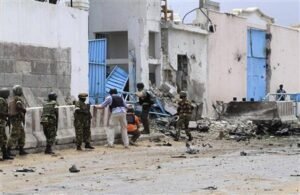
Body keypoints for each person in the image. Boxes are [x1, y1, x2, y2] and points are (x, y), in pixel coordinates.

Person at [7, 85, 28, 156]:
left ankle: (21, 149)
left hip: (15, 118)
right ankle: (8, 150)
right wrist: (23, 110)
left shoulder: (13, 98)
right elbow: (19, 106)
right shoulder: (18, 98)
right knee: (15, 134)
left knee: (22, 134)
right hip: (16, 118)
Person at [0, 88, 14, 160]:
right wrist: (8, 115)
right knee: (1, 138)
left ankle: (5, 154)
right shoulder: (1, 100)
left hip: (2, 121)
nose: (8, 95)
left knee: (4, 138)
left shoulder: (2, 100)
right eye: (7, 93)